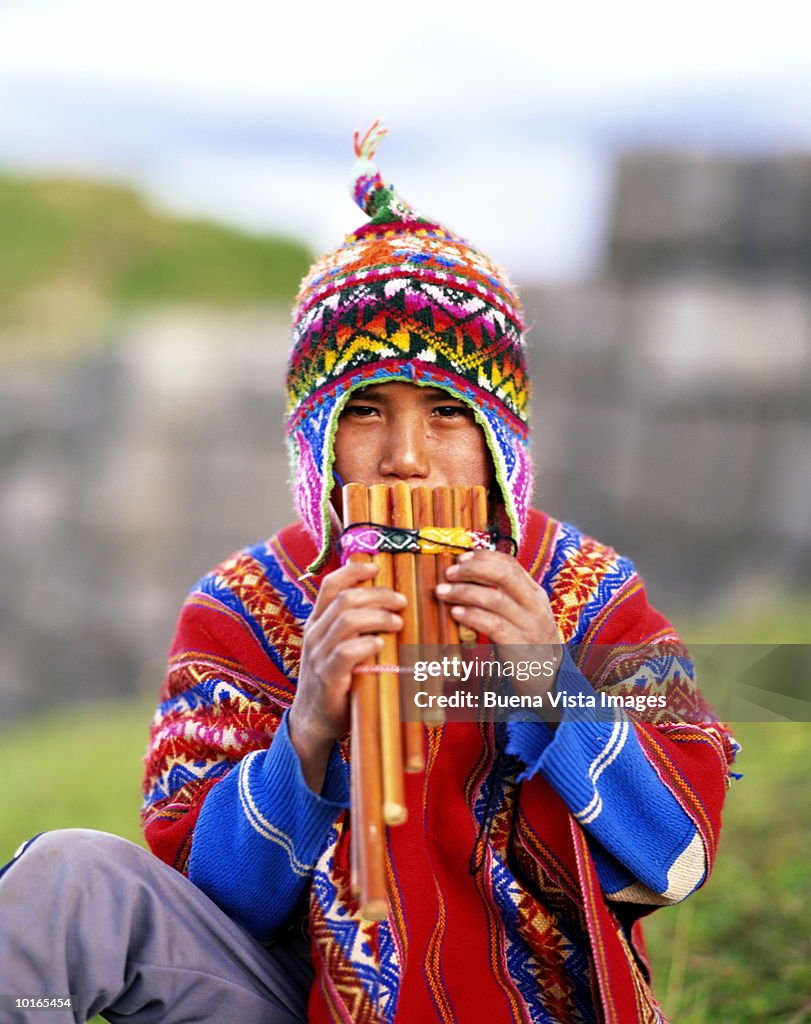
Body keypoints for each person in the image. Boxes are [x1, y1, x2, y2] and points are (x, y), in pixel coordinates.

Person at [0, 122, 738, 1024]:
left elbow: (674, 860)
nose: (404, 460)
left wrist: (556, 693)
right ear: (317, 439)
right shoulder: (237, 608)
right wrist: (307, 733)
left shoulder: (586, 588)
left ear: (498, 439)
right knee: (67, 878)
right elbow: (207, 902)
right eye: (364, 411)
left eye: (445, 413)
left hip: (539, 1005)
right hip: (299, 1000)